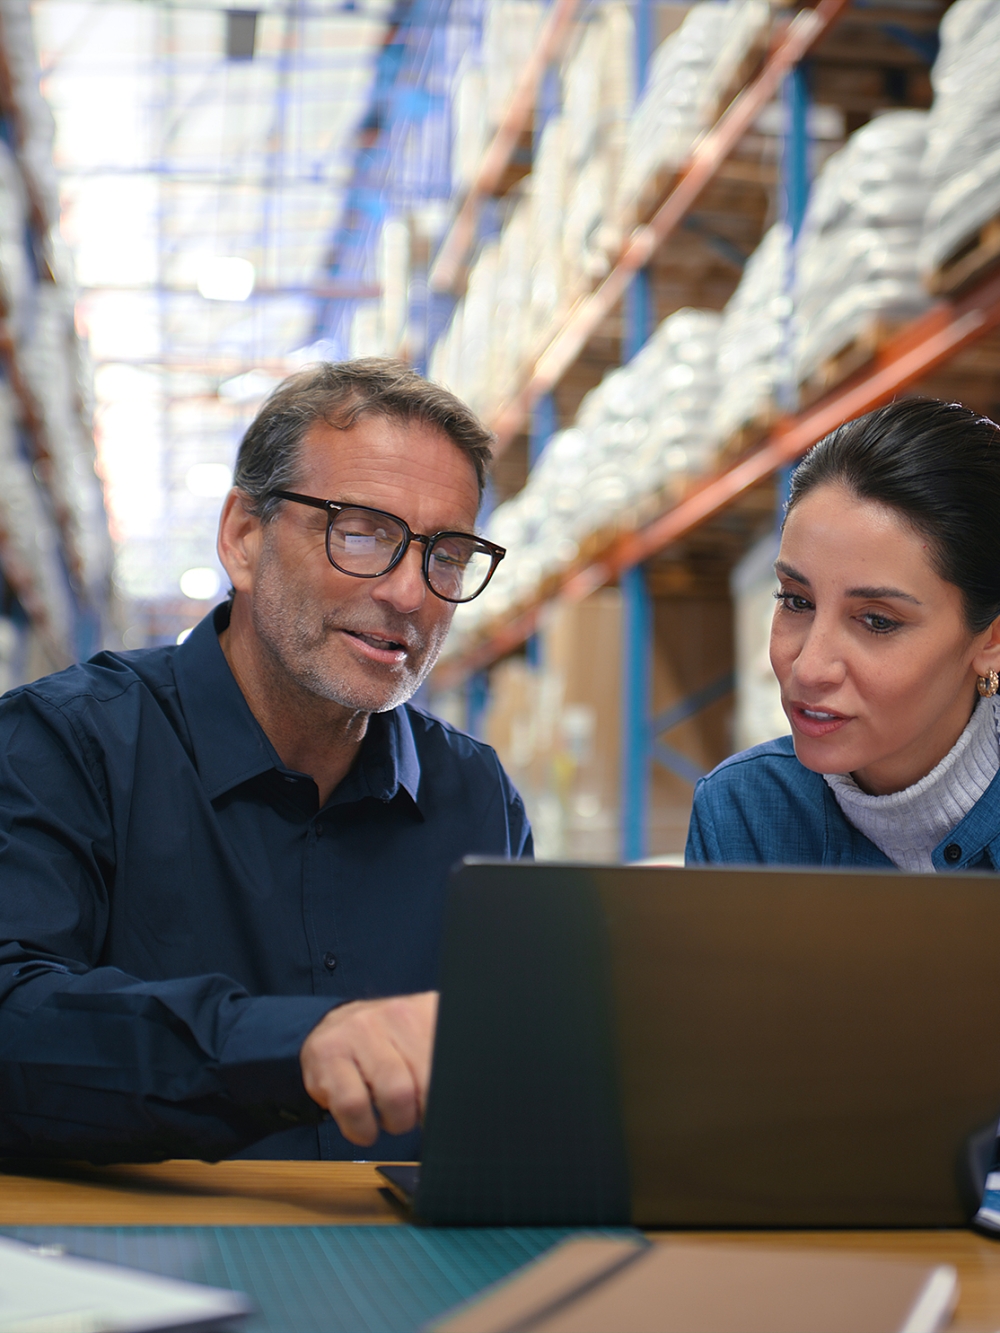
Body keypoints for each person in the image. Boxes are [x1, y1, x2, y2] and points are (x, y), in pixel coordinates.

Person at [0, 358, 531, 1163]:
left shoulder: (478, 798)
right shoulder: (66, 746)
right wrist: (295, 1043)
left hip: (411, 1276)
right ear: (244, 538)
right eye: (362, 532)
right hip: (140, 1265)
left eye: (447, 553)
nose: (410, 594)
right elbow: (14, 1015)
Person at [687, 398, 1000, 870]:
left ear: (991, 641)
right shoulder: (742, 815)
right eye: (797, 601)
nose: (809, 669)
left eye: (877, 620)